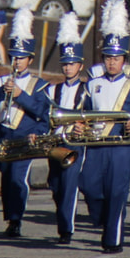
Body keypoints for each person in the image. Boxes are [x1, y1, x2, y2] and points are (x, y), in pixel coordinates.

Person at [78, 0, 130, 253]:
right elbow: (85, 112)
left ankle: (112, 240)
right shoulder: (93, 84)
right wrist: (80, 126)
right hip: (95, 145)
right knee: (88, 186)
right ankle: (102, 220)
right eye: (108, 58)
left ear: (124, 59)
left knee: (116, 193)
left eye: (116, 58)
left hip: (121, 148)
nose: (112, 62)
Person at [0, 7, 51, 238]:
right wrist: (2, 92)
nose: (17, 61)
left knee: (17, 178)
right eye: (14, 57)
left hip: (25, 136)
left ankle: (16, 219)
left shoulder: (39, 85)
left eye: (22, 58)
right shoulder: (1, 80)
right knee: (5, 175)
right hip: (4, 134)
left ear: (30, 59)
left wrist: (21, 95)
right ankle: (9, 216)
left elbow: (43, 112)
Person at [47, 12, 87, 244]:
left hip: (75, 144)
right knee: (56, 186)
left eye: (72, 63)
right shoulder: (54, 90)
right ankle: (64, 221)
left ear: (80, 65)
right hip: (55, 143)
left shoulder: (87, 90)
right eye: (65, 63)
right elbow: (47, 115)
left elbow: (95, 117)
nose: (68, 67)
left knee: (70, 187)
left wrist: (83, 126)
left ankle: (66, 230)